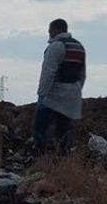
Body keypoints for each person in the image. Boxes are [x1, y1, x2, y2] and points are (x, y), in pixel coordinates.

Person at [34, 18, 86, 155]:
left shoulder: (56, 46)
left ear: (56, 30)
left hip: (54, 95)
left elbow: (48, 72)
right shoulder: (79, 47)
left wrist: (42, 94)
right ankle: (62, 159)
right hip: (72, 96)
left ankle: (41, 158)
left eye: (50, 31)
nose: (49, 34)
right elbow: (82, 75)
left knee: (39, 128)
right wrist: (76, 91)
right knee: (62, 131)